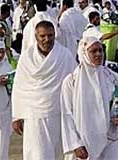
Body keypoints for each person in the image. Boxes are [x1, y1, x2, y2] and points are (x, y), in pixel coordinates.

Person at [12, 20, 77, 160]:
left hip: (58, 113)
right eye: (43, 36)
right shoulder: (26, 57)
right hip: (34, 115)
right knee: (37, 154)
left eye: (50, 35)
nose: (47, 39)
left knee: (57, 153)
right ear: (36, 37)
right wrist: (16, 116)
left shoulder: (64, 55)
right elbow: (19, 87)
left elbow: (75, 84)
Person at [61, 34, 118, 159]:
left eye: (100, 50)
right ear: (84, 53)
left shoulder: (112, 77)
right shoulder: (72, 81)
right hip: (84, 142)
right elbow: (67, 114)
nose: (98, 54)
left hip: (110, 138)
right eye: (93, 51)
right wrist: (75, 144)